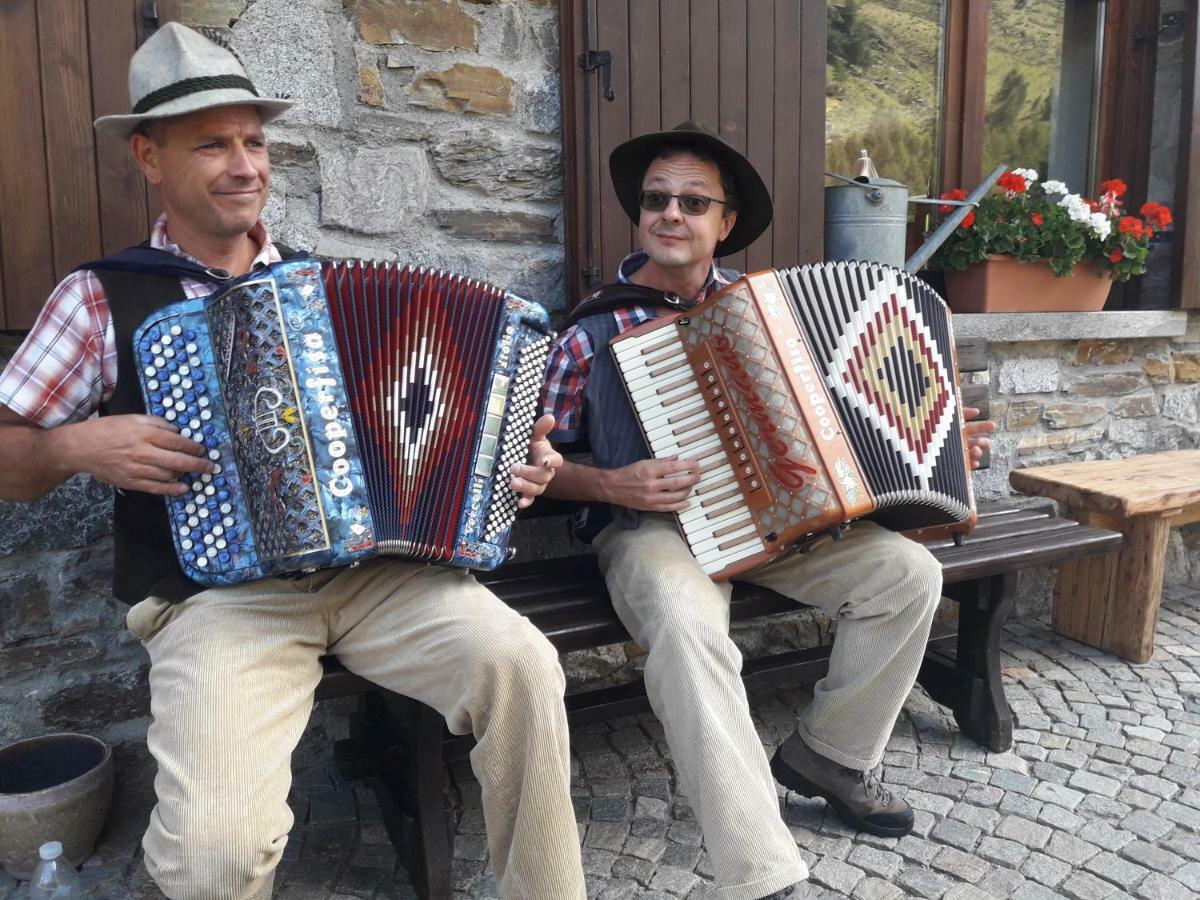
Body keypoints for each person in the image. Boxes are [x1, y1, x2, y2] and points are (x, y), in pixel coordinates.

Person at [0, 25, 585, 900]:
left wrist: (515, 464)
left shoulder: (323, 286)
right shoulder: (99, 296)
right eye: (211, 144)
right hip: (219, 605)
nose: (244, 165)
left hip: (382, 578)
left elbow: (456, 430)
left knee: (525, 670)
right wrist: (72, 446)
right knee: (213, 859)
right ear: (148, 158)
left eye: (254, 141)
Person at [540, 120, 996, 900]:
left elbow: (843, 421)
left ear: (724, 223)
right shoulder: (592, 330)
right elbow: (533, 466)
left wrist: (939, 442)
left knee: (909, 576)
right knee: (690, 632)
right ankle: (762, 874)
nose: (670, 214)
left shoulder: (770, 313)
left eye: (692, 201)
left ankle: (832, 755)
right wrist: (615, 486)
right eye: (656, 199)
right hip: (653, 532)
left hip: (782, 525)